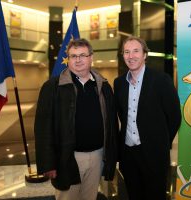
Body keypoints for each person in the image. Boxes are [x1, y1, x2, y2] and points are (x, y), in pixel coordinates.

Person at [34, 38, 117, 200]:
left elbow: (112, 123)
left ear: (91, 57)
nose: (78, 60)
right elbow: (43, 128)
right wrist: (48, 164)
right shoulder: (53, 87)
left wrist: (112, 155)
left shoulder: (103, 86)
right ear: (68, 59)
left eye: (83, 55)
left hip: (97, 157)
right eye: (73, 56)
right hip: (68, 158)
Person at [114, 36, 181, 200]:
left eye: (136, 51)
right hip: (128, 155)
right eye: (127, 52)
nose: (131, 56)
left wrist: (161, 142)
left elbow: (174, 117)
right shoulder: (119, 83)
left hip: (155, 155)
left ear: (145, 54)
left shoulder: (161, 80)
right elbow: (122, 115)